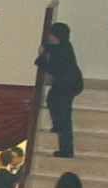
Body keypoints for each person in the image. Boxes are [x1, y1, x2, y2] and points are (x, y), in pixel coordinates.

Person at [35, 22, 82, 157]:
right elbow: (51, 49)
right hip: (66, 83)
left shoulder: (61, 51)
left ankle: (67, 150)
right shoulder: (63, 45)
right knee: (51, 100)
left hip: (67, 85)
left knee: (64, 118)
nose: (49, 36)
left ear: (56, 36)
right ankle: (57, 125)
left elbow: (51, 68)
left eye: (51, 34)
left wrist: (41, 56)